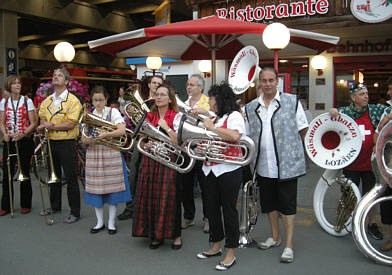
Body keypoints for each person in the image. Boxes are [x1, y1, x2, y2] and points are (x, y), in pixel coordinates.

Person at [244, 67, 308, 263]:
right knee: (269, 204)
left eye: (271, 80)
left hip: (287, 164)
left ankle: (288, 246)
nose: (268, 84)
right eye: (264, 80)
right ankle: (275, 237)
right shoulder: (251, 106)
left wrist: (296, 153)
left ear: (277, 82)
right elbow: (248, 135)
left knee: (288, 207)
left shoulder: (291, 101)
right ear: (259, 83)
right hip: (263, 165)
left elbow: (303, 129)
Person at [196, 83, 245, 271]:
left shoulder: (234, 116)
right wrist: (202, 147)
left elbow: (234, 136)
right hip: (210, 169)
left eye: (212, 98)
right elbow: (209, 140)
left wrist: (212, 127)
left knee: (229, 211)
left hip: (228, 169)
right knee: (211, 209)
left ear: (221, 99)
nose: (209, 102)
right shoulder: (215, 117)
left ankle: (230, 252)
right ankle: (215, 245)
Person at [329, 82, 387, 240]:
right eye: (362, 94)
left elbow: (389, 112)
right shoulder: (344, 112)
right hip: (351, 164)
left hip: (371, 165)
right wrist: (332, 111)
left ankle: (371, 224)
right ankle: (350, 222)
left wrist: (384, 121)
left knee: (371, 196)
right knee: (349, 195)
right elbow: (331, 116)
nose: (366, 96)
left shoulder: (375, 110)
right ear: (353, 97)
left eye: (367, 93)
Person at [132, 83, 182, 250]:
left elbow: (179, 142)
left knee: (170, 199)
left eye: (162, 94)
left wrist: (166, 127)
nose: (158, 97)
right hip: (150, 160)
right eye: (157, 94)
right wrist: (145, 144)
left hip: (168, 161)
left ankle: (176, 235)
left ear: (170, 99)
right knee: (151, 197)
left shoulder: (176, 116)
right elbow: (143, 138)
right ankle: (156, 234)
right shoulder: (149, 116)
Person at [81, 86, 131, 234]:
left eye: (101, 100)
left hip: (111, 153)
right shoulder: (89, 115)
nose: (98, 103)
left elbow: (122, 130)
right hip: (94, 154)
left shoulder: (113, 112)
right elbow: (83, 138)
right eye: (95, 100)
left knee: (112, 190)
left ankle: (111, 223)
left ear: (106, 99)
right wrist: (87, 140)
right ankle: (99, 222)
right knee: (96, 190)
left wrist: (105, 135)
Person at [37, 68, 82, 223]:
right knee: (52, 175)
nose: (56, 77)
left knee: (70, 177)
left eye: (60, 75)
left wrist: (50, 126)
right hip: (51, 142)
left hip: (67, 142)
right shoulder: (47, 100)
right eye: (54, 75)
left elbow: (71, 123)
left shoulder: (73, 101)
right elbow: (42, 117)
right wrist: (45, 125)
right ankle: (55, 205)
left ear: (67, 82)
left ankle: (75, 211)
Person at [118, 75, 163, 221]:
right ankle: (130, 207)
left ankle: (148, 208)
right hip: (141, 139)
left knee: (153, 176)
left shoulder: (161, 101)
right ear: (149, 85)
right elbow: (131, 122)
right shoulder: (140, 101)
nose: (156, 85)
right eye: (154, 82)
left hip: (157, 141)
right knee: (134, 174)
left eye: (159, 83)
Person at [0, 75, 36, 216]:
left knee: (24, 172)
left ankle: (25, 204)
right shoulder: (4, 102)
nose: (17, 85)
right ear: (9, 86)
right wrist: (4, 133)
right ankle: (6, 205)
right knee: (7, 174)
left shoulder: (27, 101)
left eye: (19, 83)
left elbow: (33, 122)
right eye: (14, 84)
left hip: (24, 140)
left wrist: (23, 133)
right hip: (10, 139)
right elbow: (2, 121)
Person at [179, 74, 210, 232]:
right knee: (186, 185)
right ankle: (189, 216)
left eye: (192, 84)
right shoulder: (184, 104)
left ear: (201, 87)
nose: (188, 87)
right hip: (187, 148)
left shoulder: (208, 103)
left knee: (206, 186)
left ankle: (208, 218)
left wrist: (204, 112)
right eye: (187, 84)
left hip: (202, 148)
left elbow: (213, 121)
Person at [373, 77, 392, 252]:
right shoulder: (386, 110)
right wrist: (383, 124)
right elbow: (376, 140)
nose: (388, 93)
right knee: (387, 205)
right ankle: (391, 238)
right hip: (388, 165)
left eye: (391, 89)